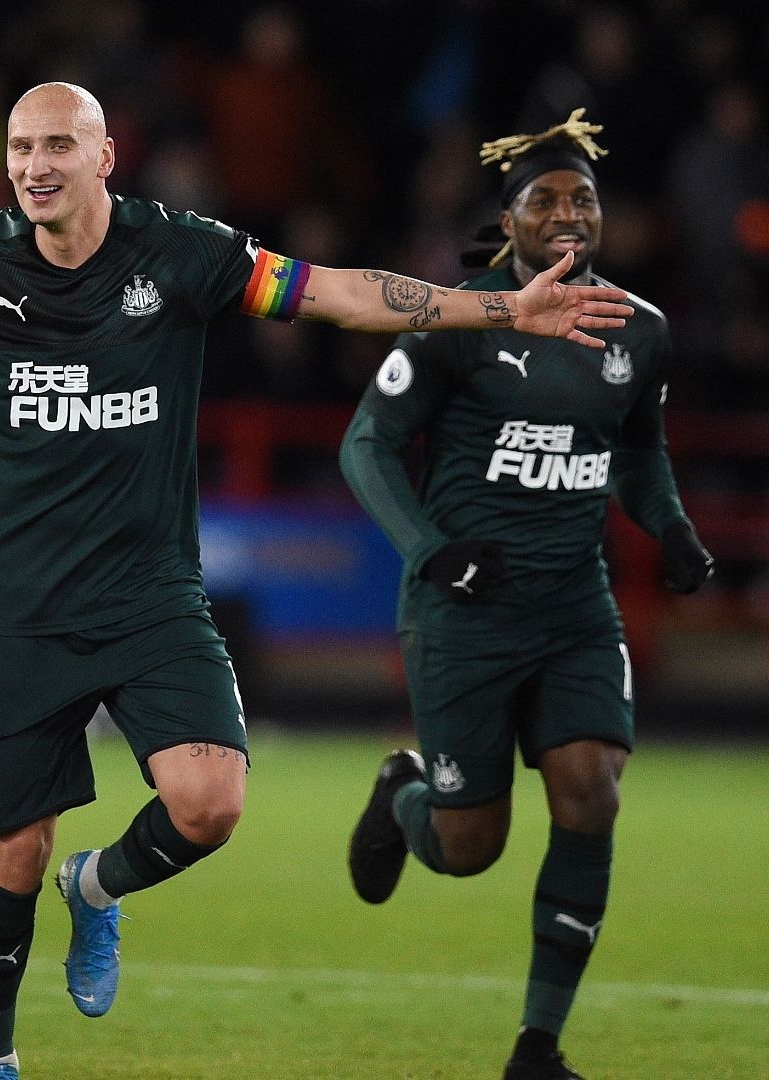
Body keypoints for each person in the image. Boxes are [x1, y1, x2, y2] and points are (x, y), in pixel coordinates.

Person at [0, 82, 633, 1080]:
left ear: (103, 156)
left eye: (56, 147)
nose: (34, 168)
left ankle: (102, 886)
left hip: (149, 596)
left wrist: (494, 313)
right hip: (18, 612)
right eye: (19, 150)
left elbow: (336, 295)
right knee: (11, 853)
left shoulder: (180, 253)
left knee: (212, 801)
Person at [340, 110, 712, 1080]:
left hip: (573, 606)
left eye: (582, 197)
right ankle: (405, 793)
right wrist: (432, 550)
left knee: (591, 792)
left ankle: (536, 1048)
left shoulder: (641, 333)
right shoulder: (454, 319)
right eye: (542, 199)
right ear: (508, 222)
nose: (566, 213)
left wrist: (667, 525)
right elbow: (365, 446)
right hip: (466, 610)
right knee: (470, 848)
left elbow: (639, 453)